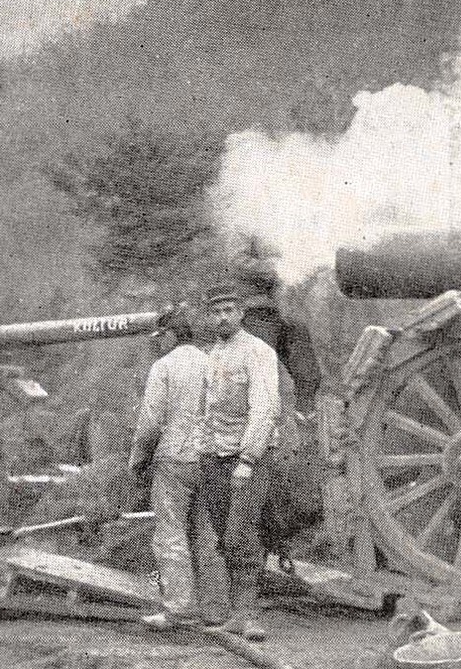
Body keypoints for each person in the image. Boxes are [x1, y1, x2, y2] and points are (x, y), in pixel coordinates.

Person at [198, 280, 281, 642]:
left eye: (228, 311)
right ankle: (234, 613)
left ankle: (249, 615)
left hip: (247, 458)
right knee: (221, 535)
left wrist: (248, 458)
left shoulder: (258, 352)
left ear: (241, 314)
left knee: (241, 533)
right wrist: (201, 448)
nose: (222, 318)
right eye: (215, 312)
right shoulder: (211, 353)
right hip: (213, 455)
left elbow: (265, 408)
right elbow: (205, 408)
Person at [127, 309, 215, 629]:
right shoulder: (212, 362)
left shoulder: (164, 367)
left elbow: (150, 422)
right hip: (212, 458)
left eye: (160, 338)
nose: (157, 344)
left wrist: (138, 460)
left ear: (170, 335)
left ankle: (179, 609)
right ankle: (213, 608)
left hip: (174, 459)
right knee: (207, 534)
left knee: (171, 533)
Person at [234, 260, 323, 413]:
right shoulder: (247, 236)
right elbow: (238, 261)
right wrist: (277, 266)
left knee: (308, 369)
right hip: (256, 310)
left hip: (285, 308)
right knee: (262, 369)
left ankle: (305, 414)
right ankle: (260, 417)